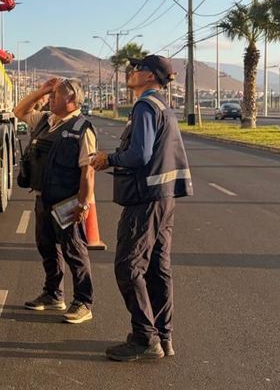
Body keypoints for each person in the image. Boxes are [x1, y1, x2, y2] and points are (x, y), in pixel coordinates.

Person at [92, 54, 191, 362]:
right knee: (158, 269)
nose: (132, 72)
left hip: (145, 200)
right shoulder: (163, 106)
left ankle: (145, 338)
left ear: (150, 77)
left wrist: (107, 159)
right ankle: (163, 335)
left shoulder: (146, 106)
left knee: (128, 266)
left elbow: (140, 154)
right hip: (163, 200)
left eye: (138, 68)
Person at [13, 77, 97, 325]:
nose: (50, 99)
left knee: (74, 251)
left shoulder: (83, 129)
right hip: (43, 198)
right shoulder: (45, 122)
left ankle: (83, 302)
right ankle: (53, 294)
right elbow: (20, 111)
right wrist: (42, 90)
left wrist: (83, 204)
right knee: (46, 247)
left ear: (71, 99)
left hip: (67, 202)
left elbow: (87, 172)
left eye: (55, 95)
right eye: (51, 95)